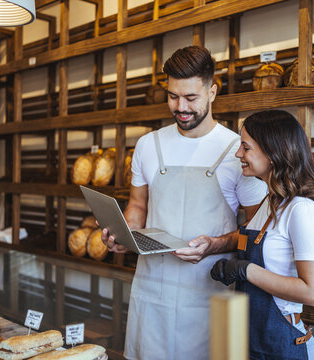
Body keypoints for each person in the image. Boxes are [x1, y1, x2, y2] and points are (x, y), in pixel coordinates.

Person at [101, 46, 267, 360]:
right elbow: (137, 206)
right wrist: (123, 234)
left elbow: (256, 232)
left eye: (191, 98)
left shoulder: (237, 151)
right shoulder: (149, 145)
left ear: (213, 91)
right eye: (173, 96)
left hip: (212, 291)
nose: (181, 107)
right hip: (152, 289)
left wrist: (216, 244)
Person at [210, 110, 314, 360]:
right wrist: (212, 246)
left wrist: (246, 270)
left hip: (284, 346)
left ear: (273, 153)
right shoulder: (269, 203)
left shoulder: (300, 209)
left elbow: (313, 293)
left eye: (245, 147)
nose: (239, 154)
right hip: (254, 342)